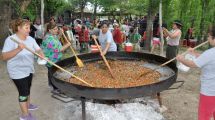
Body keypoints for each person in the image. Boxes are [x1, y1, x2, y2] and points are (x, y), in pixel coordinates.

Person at [2, 18, 44, 120]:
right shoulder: (11, 39)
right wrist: (18, 49)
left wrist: (41, 55)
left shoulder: (30, 39)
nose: (29, 30)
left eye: (29, 27)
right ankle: (25, 115)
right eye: (26, 27)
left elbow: (38, 49)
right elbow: (4, 57)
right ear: (19, 28)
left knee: (27, 88)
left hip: (29, 69)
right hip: (17, 72)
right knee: (23, 93)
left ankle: (28, 105)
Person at [176, 24, 215, 120]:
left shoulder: (210, 53)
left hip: (209, 92)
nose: (208, 38)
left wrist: (181, 59)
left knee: (204, 116)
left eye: (209, 36)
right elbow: (205, 59)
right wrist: (193, 53)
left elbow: (192, 64)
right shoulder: (210, 54)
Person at [41, 22, 71, 93]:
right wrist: (68, 44)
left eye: (57, 29)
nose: (56, 30)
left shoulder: (51, 36)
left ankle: (51, 84)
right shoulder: (49, 39)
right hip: (51, 59)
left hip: (53, 58)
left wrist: (60, 34)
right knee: (53, 73)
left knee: (51, 72)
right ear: (49, 30)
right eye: (54, 29)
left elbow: (56, 39)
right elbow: (58, 50)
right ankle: (55, 88)